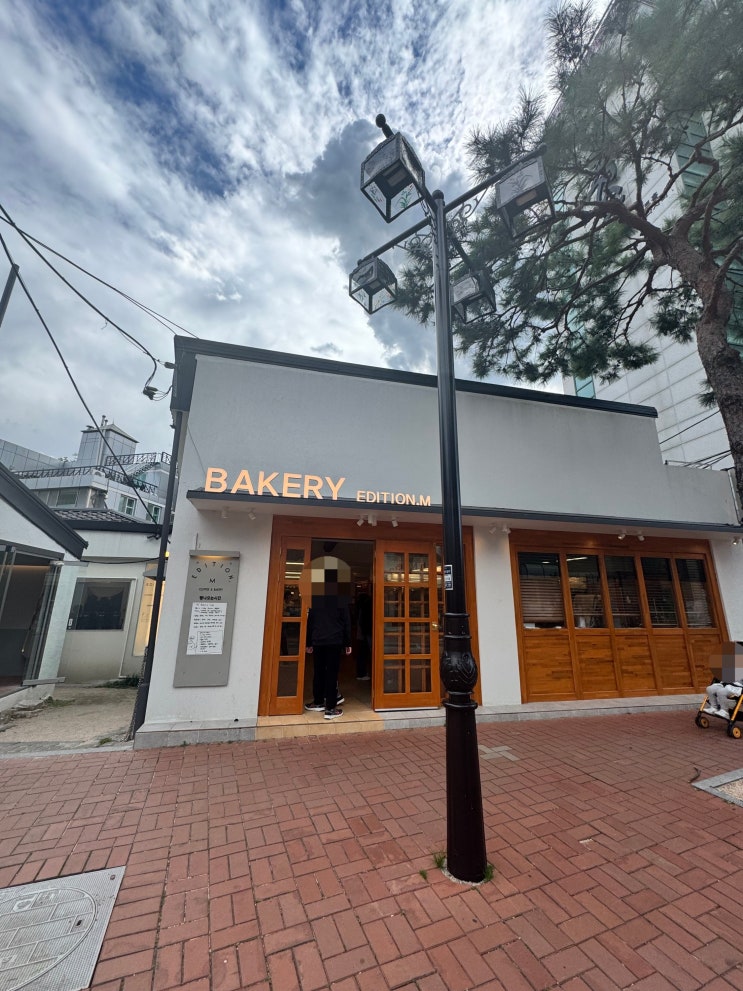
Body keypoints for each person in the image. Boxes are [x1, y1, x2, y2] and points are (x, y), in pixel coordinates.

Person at [304, 584, 352, 720]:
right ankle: (330, 708)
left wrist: (309, 643)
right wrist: (348, 643)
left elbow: (310, 622)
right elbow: (346, 622)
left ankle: (318, 702)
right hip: (334, 641)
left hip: (318, 640)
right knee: (331, 674)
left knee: (318, 671)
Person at [355, 590, 372, 680]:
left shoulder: (359, 605)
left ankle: (361, 673)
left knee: (361, 654)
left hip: (361, 633)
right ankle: (363, 673)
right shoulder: (368, 604)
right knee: (366, 653)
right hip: (366, 633)